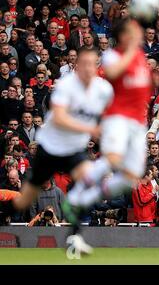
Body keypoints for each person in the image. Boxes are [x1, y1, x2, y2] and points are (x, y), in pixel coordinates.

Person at [1, 48, 113, 254]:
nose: (88, 67)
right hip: (50, 147)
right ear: (77, 66)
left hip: (74, 149)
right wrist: (91, 129)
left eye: (92, 63)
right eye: (84, 63)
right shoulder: (66, 86)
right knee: (24, 199)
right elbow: (60, 118)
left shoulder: (103, 89)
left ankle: (75, 238)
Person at [62, 18, 152, 252]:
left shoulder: (140, 58)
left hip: (135, 122)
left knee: (131, 176)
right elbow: (111, 72)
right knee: (112, 159)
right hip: (117, 118)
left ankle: (84, 196)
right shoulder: (114, 55)